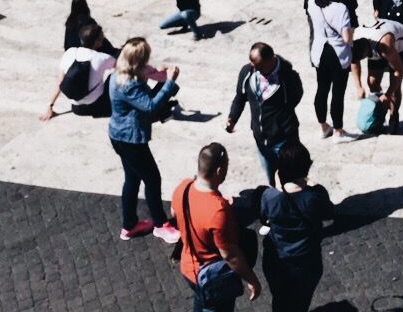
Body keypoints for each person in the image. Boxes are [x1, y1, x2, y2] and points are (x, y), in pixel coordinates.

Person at [107, 38, 182, 241]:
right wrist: (170, 83)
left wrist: (159, 73)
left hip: (119, 135)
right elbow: (150, 106)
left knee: (132, 179)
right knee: (152, 179)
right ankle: (160, 224)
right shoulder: (127, 84)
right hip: (131, 140)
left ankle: (129, 225)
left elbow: (148, 80)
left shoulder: (120, 73)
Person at [172, 143, 261, 311]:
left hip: (188, 266)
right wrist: (252, 280)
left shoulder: (182, 187)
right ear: (219, 171)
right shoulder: (218, 209)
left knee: (201, 302)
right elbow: (230, 255)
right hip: (210, 277)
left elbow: (176, 213)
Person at [257, 142, 335, 312]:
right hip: (305, 261)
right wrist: (314, 185)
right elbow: (329, 212)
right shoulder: (314, 196)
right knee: (300, 302)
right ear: (307, 168)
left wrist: (277, 185)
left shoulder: (269, 196)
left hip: (276, 259)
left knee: (279, 298)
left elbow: (264, 218)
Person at [225, 42, 304, 185]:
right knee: (271, 180)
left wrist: (279, 119)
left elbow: (295, 98)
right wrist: (232, 118)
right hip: (261, 141)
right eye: (252, 64)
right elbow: (240, 97)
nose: (254, 68)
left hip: (284, 139)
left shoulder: (288, 77)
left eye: (259, 66)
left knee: (291, 180)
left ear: (271, 60)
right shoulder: (248, 72)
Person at [307, 0, 355, 141]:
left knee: (321, 89)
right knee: (338, 93)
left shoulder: (311, 2)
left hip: (319, 52)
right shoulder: (341, 8)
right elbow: (347, 37)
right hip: (337, 54)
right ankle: (338, 131)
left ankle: (323, 127)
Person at [42, 22, 119, 119]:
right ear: (97, 42)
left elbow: (60, 82)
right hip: (98, 105)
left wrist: (50, 106)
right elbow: (122, 66)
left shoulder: (70, 53)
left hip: (77, 109)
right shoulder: (103, 58)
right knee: (115, 75)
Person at [352, 18, 403, 132]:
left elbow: (399, 71)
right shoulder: (355, 38)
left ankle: (394, 117)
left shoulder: (385, 45)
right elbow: (354, 61)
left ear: (366, 51)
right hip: (376, 42)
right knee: (372, 82)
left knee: (394, 88)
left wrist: (388, 94)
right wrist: (358, 86)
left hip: (400, 43)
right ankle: (380, 114)